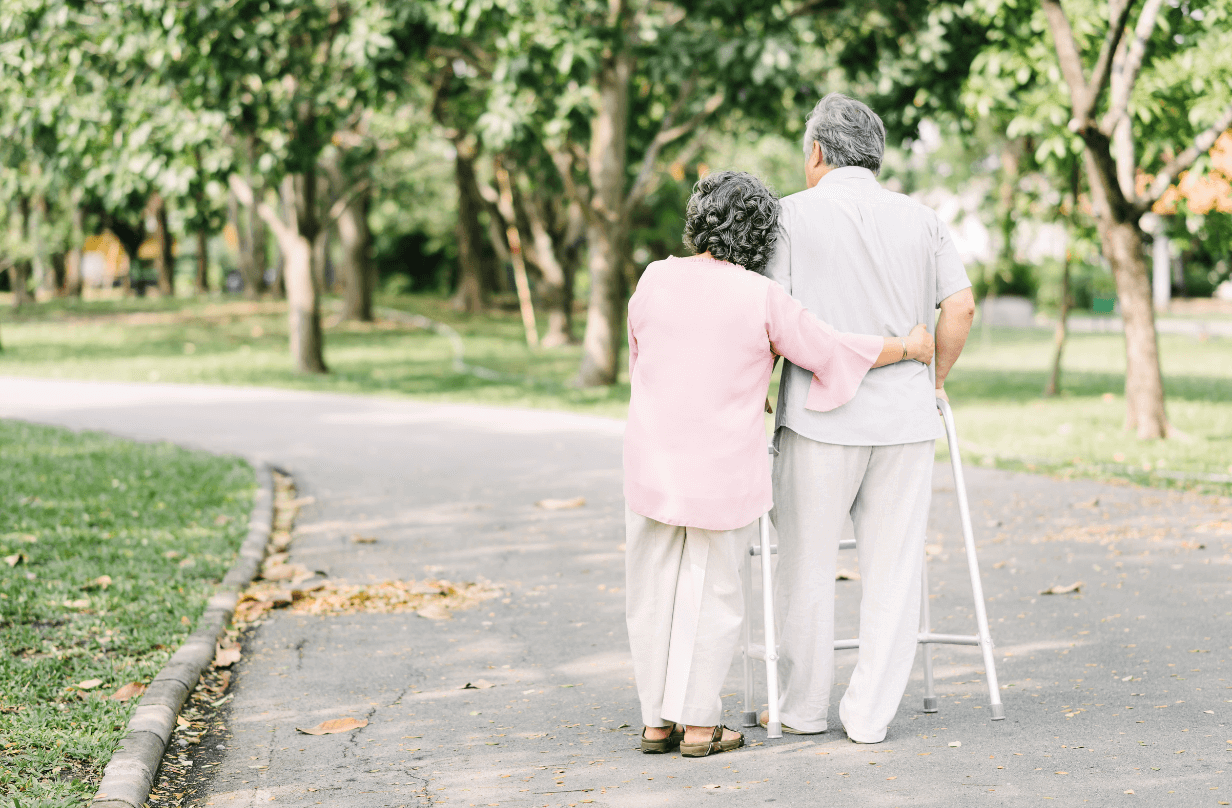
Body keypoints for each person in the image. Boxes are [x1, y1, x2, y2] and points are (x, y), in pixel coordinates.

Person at [623, 170, 935, 758]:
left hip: (652, 464)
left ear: (697, 222)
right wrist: (911, 348)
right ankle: (696, 725)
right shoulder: (759, 296)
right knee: (713, 592)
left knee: (652, 589)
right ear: (762, 237)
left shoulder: (653, 278)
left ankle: (655, 721)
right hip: (722, 472)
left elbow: (642, 358)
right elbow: (830, 348)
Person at [762, 93, 976, 744]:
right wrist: (932, 379)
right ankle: (870, 716)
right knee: (894, 568)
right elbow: (960, 307)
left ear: (818, 152)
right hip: (905, 419)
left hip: (820, 421)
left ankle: (801, 710)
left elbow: (770, 315)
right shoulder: (922, 218)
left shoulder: (790, 217)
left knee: (805, 564)